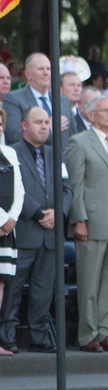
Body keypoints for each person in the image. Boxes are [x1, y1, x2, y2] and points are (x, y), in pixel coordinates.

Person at [66, 96, 108, 353]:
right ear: (91, 114)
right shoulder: (79, 142)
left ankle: (106, 331)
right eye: (104, 110)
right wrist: (79, 219)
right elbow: (76, 186)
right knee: (89, 278)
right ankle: (88, 335)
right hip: (92, 219)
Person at [0, 107, 70, 354]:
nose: (43, 126)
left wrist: (58, 212)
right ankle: (7, 334)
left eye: (47, 122)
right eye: (38, 122)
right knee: (13, 287)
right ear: (24, 126)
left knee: (44, 288)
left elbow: (67, 188)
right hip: (25, 229)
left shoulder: (55, 153)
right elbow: (14, 190)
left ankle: (40, 335)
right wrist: (39, 213)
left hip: (50, 234)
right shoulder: (11, 153)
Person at [3, 53, 72, 146]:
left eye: (48, 69)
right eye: (40, 69)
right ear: (28, 74)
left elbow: (73, 136)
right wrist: (50, 129)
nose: (46, 72)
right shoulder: (13, 99)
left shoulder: (62, 100)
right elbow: (14, 136)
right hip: (32, 159)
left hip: (63, 159)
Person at [0, 110, 25, 356]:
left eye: (0, 123)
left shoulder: (9, 153)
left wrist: (12, 217)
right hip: (1, 223)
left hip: (7, 230)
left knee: (1, 285)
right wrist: (2, 218)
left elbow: (20, 189)